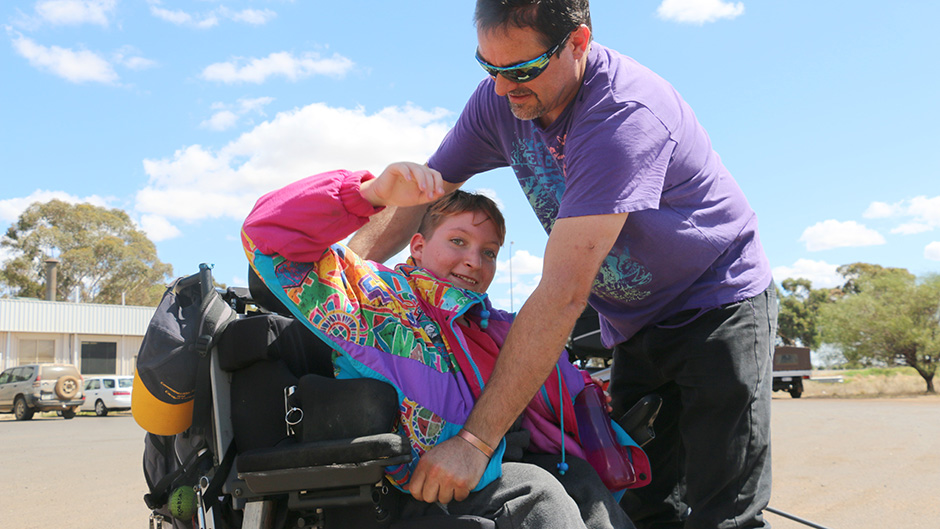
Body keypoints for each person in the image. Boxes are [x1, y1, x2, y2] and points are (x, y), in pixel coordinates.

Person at [346, 2, 778, 528]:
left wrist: (474, 443)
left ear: (578, 42)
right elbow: (424, 191)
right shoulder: (499, 100)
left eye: (522, 70)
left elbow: (563, 293)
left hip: (715, 303)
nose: (504, 90)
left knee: (722, 509)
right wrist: (337, 280)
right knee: (643, 499)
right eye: (490, 69)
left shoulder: (623, 113)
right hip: (635, 324)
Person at [241, 162, 642, 529]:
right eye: (458, 241)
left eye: (488, 252)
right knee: (539, 494)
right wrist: (369, 194)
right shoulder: (375, 301)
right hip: (418, 484)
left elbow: (555, 382)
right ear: (416, 247)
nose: (474, 261)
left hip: (498, 464)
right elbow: (267, 236)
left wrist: (590, 397)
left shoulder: (493, 324)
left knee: (585, 484)